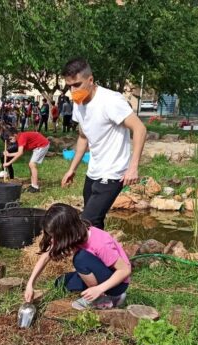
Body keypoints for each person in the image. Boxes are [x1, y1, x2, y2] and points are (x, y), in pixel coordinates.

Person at [60, 58, 147, 230]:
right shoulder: (78, 103)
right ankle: (101, 255)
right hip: (93, 171)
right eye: (69, 86)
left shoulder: (111, 101)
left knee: (87, 222)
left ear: (90, 80)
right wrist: (72, 168)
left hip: (114, 173)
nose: (73, 90)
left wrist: (133, 167)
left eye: (77, 85)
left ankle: (99, 256)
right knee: (95, 223)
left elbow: (140, 129)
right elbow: (83, 137)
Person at [24, 204, 131, 311]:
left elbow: (125, 270)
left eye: (54, 235)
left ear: (66, 231)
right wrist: (30, 284)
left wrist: (98, 289)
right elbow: (46, 256)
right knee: (60, 282)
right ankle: (98, 292)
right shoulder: (75, 234)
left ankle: (105, 298)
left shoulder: (100, 243)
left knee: (80, 258)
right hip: (101, 273)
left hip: (118, 284)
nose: (52, 239)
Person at [0, 126, 50, 193]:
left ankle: (35, 187)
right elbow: (20, 152)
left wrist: (9, 163)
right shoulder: (20, 137)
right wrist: (9, 154)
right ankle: (33, 185)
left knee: (32, 164)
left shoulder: (21, 138)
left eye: (10, 139)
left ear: (15, 135)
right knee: (30, 165)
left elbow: (20, 153)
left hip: (42, 145)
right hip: (38, 146)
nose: (10, 141)